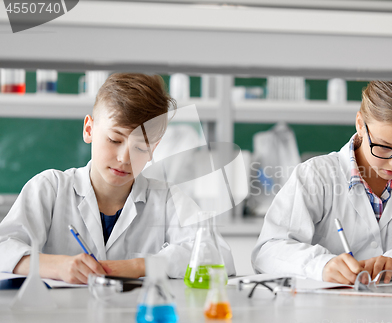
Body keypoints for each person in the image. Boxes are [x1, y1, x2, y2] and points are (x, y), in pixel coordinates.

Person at [0, 73, 235, 284]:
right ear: (89, 130)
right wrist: (57, 266)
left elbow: (218, 256)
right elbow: (3, 247)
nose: (124, 158)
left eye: (141, 147)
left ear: (154, 149)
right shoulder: (50, 188)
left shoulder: (166, 198)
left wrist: (139, 266)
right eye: (114, 140)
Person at [251, 81, 392, 284]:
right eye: (384, 147)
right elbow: (268, 250)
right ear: (360, 124)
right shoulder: (315, 175)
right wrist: (321, 266)